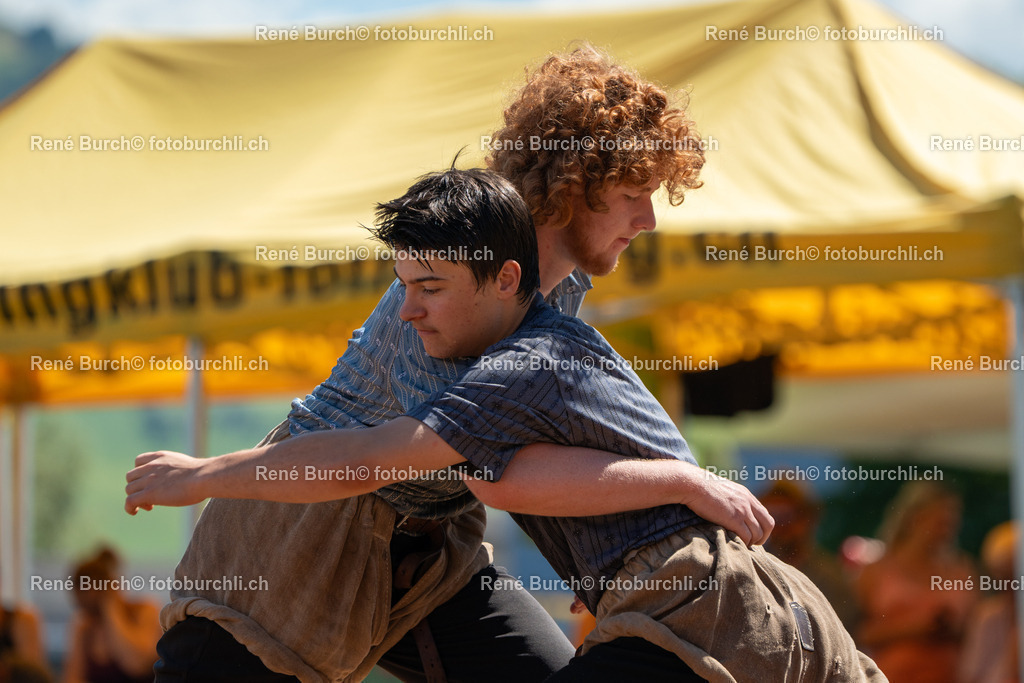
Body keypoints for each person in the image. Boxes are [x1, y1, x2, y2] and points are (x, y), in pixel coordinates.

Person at [127, 46, 773, 683]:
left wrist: (598, 555)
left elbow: (527, 441)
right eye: (633, 193)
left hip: (435, 555)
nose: (650, 219)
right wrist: (685, 484)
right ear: (572, 187)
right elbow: (461, 470)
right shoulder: (452, 284)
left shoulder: (563, 287)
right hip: (296, 537)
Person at [856, 481, 977, 683]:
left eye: (952, 520)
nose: (948, 528)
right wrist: (915, 629)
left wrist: (951, 629)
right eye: (941, 521)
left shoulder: (963, 570)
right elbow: (855, 632)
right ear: (915, 516)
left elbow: (979, 632)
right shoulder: (877, 570)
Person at [759, 479, 860, 632]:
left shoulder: (830, 579)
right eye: (772, 515)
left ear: (809, 519)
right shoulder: (755, 567)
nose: (780, 525)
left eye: (788, 515)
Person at [62, 547, 161, 683]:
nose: (84, 612)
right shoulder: (84, 626)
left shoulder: (145, 610)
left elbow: (137, 665)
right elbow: (73, 678)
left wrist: (110, 606)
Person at [957, 521, 1018, 683]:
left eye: (1014, 575)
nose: (1010, 585)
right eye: (1004, 576)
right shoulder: (987, 615)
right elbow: (970, 675)